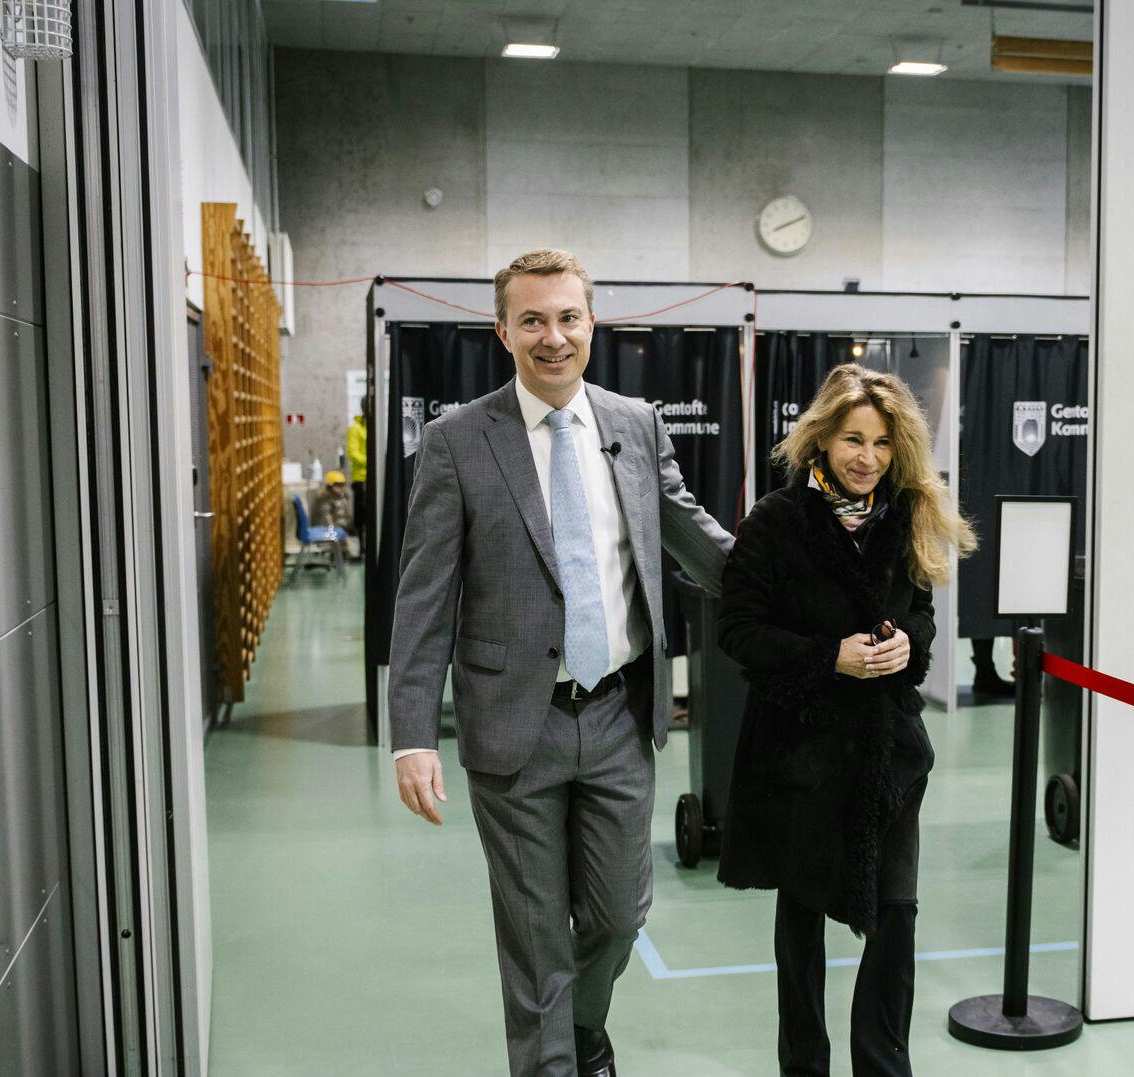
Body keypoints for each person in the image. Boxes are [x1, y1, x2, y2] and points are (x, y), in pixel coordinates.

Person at [385, 248, 732, 1077]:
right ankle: (551, 1062)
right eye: (532, 320)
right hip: (515, 724)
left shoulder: (636, 426)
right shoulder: (458, 441)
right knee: (537, 934)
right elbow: (424, 595)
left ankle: (581, 1026)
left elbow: (706, 546)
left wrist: (809, 579)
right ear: (503, 330)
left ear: (591, 322)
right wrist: (411, 734)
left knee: (619, 913)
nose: (552, 337)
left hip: (618, 712)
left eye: (567, 316)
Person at [716, 364, 976, 1076]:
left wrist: (907, 645)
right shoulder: (776, 519)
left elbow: (919, 615)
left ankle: (883, 1066)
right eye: (853, 439)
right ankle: (804, 1065)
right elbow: (737, 629)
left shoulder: (907, 514)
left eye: (884, 444)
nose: (868, 457)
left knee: (896, 913)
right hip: (801, 754)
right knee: (801, 920)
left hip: (888, 752)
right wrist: (829, 656)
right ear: (823, 438)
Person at [345, 394, 369, 541]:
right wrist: (372, 463)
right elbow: (354, 454)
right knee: (360, 516)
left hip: (374, 478)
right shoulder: (355, 429)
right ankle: (359, 548)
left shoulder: (373, 427)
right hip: (361, 479)